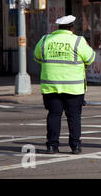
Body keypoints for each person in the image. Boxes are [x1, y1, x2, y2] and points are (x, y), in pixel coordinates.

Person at [34, 15, 95, 154]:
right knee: (74, 117)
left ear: (58, 27)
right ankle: (75, 146)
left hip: (51, 86)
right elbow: (91, 58)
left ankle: (51, 146)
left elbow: (37, 57)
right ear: (72, 27)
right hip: (74, 88)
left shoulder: (45, 40)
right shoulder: (78, 41)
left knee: (54, 115)